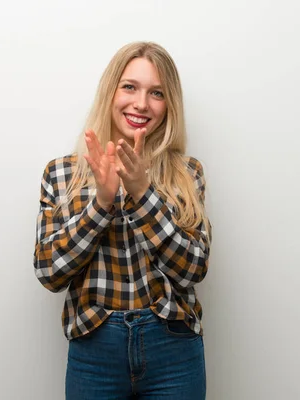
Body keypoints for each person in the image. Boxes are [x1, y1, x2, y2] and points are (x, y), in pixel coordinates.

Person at [33, 41, 212, 400]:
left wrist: (143, 193)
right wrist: (101, 203)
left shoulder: (186, 174)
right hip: (94, 348)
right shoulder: (62, 174)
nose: (141, 104)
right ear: (110, 90)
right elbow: (50, 273)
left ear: (169, 104)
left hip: (173, 348)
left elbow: (193, 270)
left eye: (156, 93)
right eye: (129, 87)